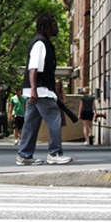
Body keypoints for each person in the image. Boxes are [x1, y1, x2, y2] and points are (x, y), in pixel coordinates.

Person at [16, 12, 73, 166]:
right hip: (40, 91)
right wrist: (34, 89)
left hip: (36, 90)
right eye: (54, 24)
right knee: (55, 120)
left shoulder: (42, 42)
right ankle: (54, 153)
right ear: (47, 26)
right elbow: (33, 68)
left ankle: (24, 155)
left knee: (31, 123)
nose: (57, 27)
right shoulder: (40, 43)